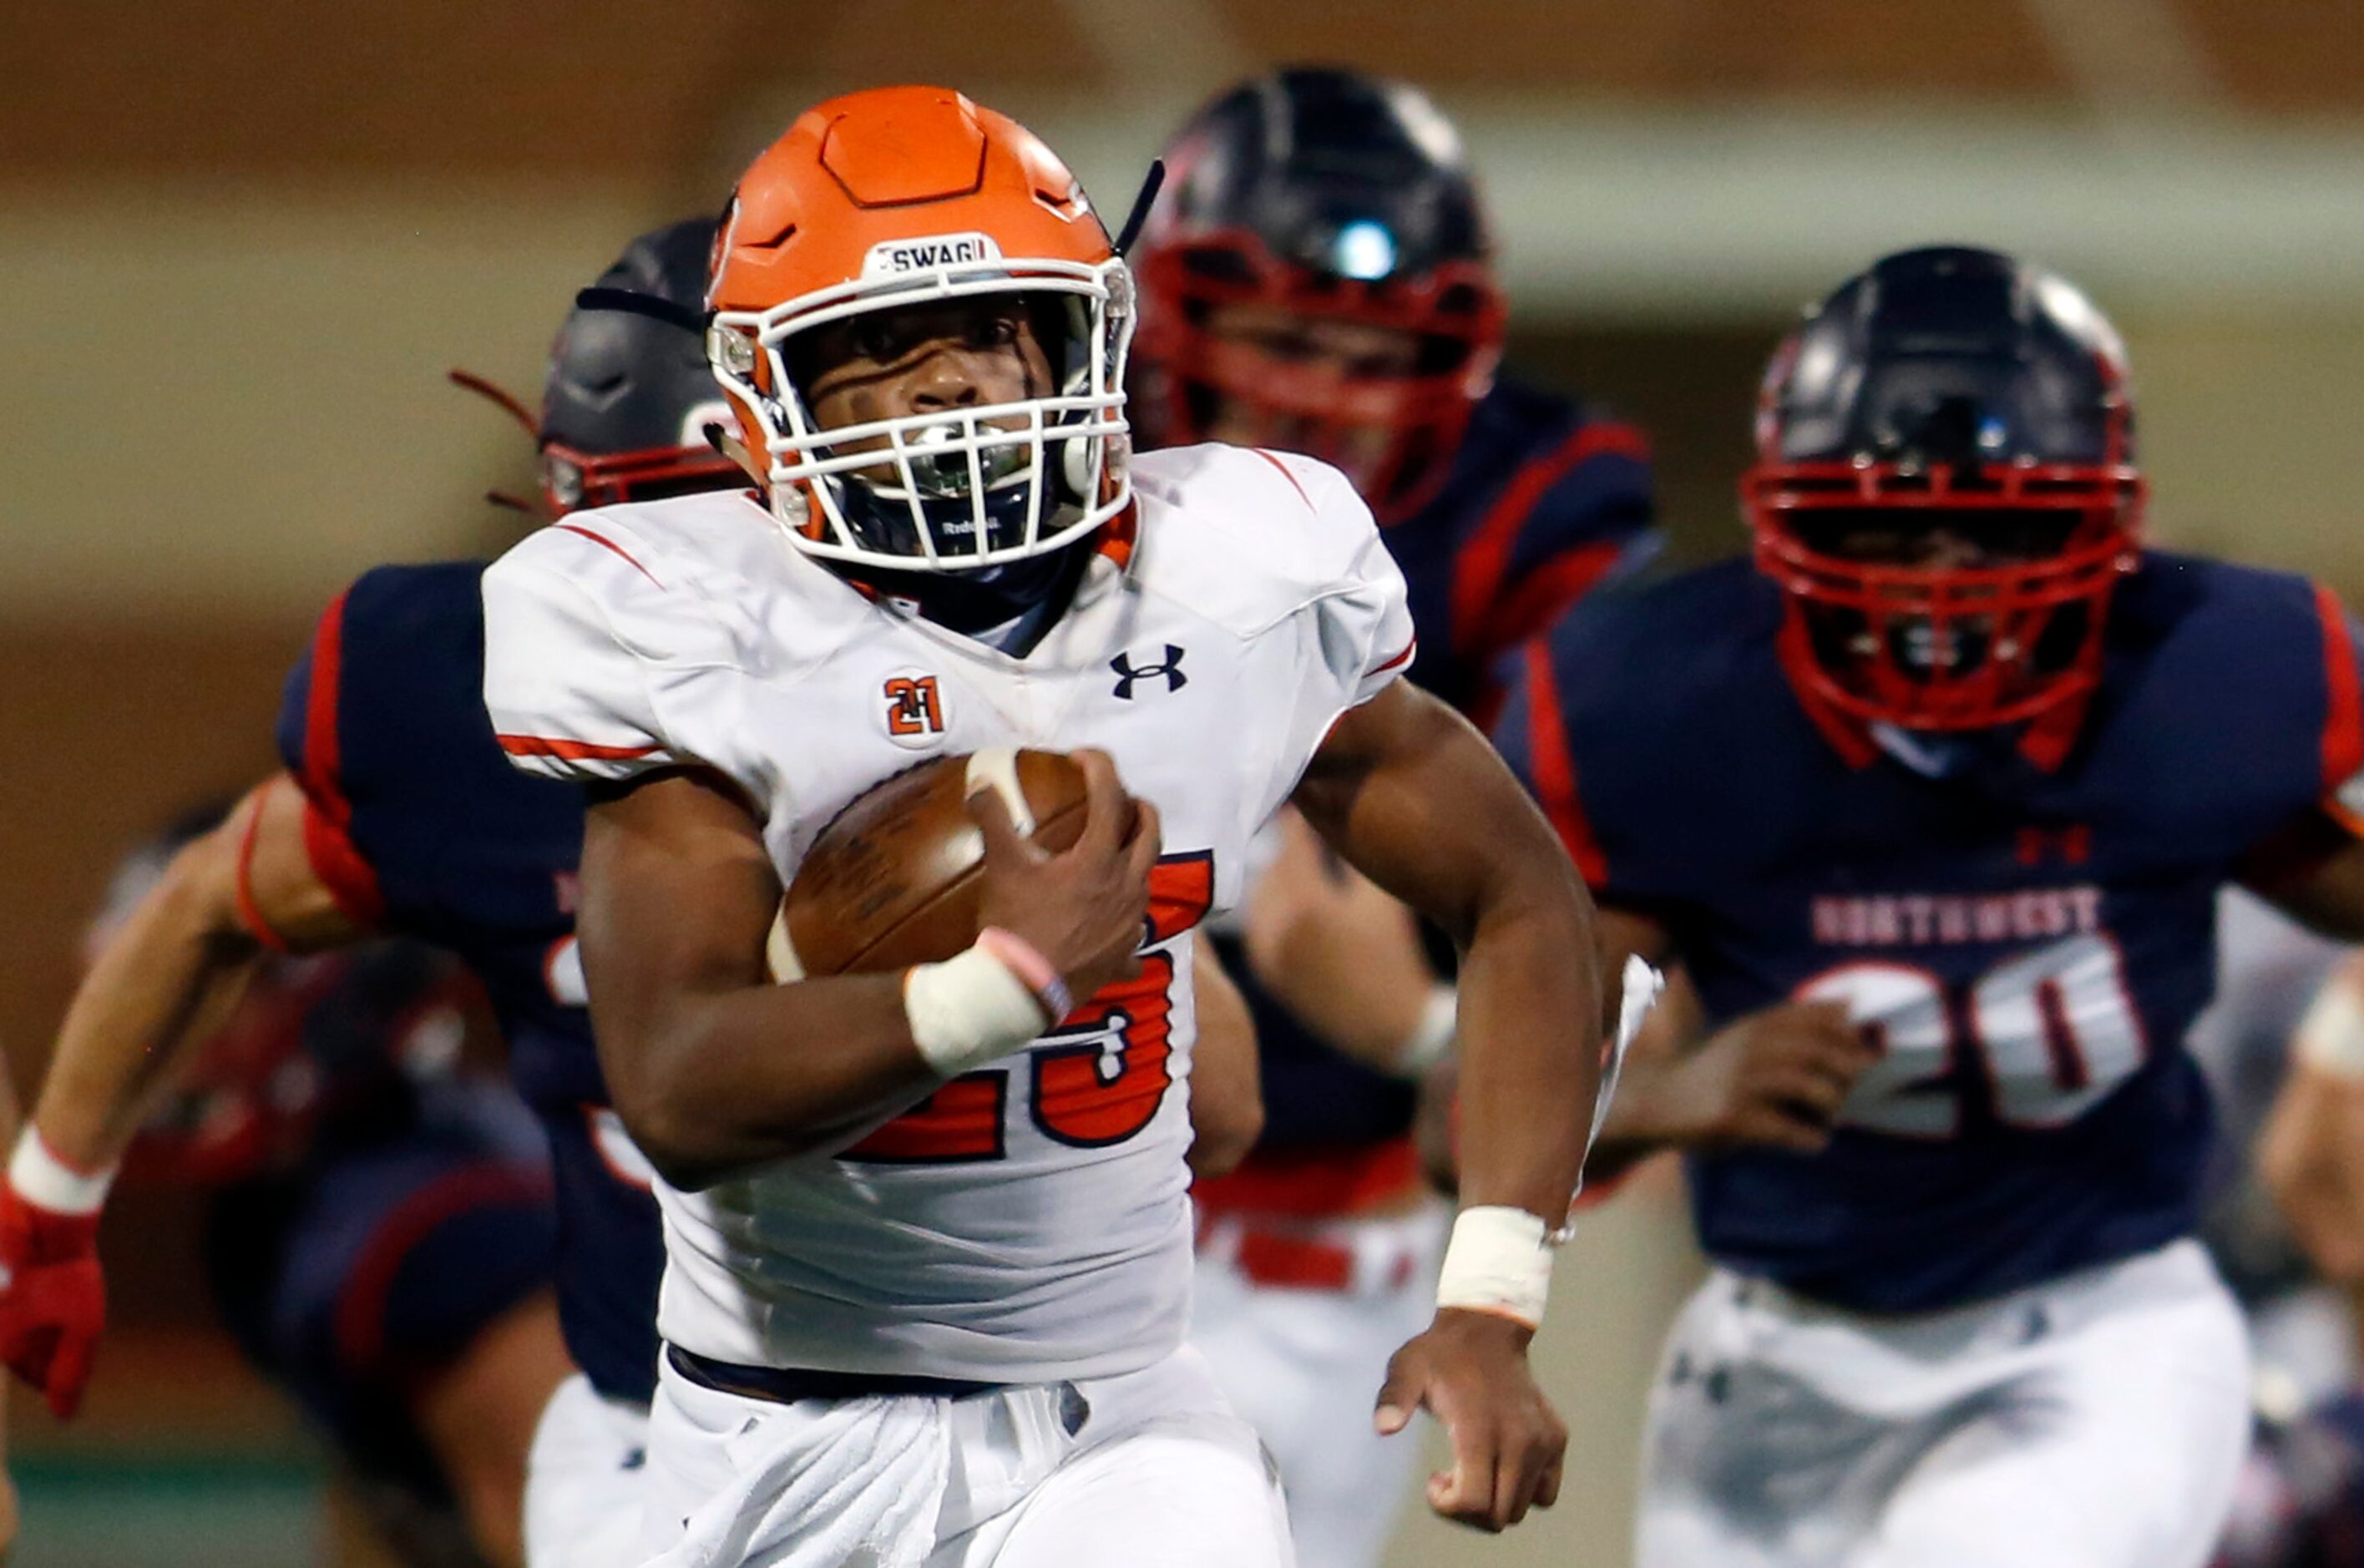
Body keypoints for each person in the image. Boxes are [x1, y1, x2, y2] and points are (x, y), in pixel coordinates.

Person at [481, 84, 1612, 1568]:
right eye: (877, 351)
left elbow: (1523, 895)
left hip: (1123, 1419)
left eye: (988, 329)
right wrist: (1005, 981)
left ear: (1082, 336)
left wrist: (1492, 1290)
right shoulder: (692, 623)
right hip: (777, 1434)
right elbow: (683, 1086)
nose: (950, 385)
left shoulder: (1243, 572)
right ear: (767, 399)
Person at [1497, 244, 2364, 1568]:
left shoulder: (2211, 678)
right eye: (1884, 526)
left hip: (2097, 1335)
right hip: (1775, 1360)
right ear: (1786, 520)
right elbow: (1473, 1122)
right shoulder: (1659, 710)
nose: (1941, 583)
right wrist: (1674, 1098)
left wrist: (2339, 1042)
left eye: (1997, 524)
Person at [0, 220, 745, 1568]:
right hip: (695, 1417)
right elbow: (199, 901)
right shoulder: (486, 703)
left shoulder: (1018, 674)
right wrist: (48, 1199)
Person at [1125, 63, 1658, 1568]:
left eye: (1373, 352)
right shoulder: (1035, 457)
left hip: (1323, 1220)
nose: (1323, 395)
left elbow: (1577, 942)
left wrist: (1414, 1030)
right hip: (1000, 1189)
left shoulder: (1531, 506)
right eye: (1285, 339)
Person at [102, 807, 562, 1566]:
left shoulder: (430, 1222)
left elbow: (571, 1528)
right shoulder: (272, 1215)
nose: (145, 1032)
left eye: (190, 989)